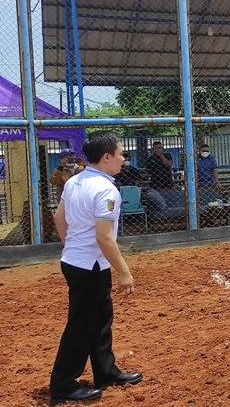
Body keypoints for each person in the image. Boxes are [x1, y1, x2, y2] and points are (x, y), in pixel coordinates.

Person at [49, 131, 142, 404]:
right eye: (121, 153)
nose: (123, 159)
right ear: (106, 157)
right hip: (88, 266)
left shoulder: (76, 181)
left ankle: (106, 372)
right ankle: (63, 385)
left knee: (100, 318)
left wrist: (72, 245)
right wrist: (124, 271)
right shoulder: (105, 189)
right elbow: (104, 237)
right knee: (81, 325)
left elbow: (58, 217)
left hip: (79, 262)